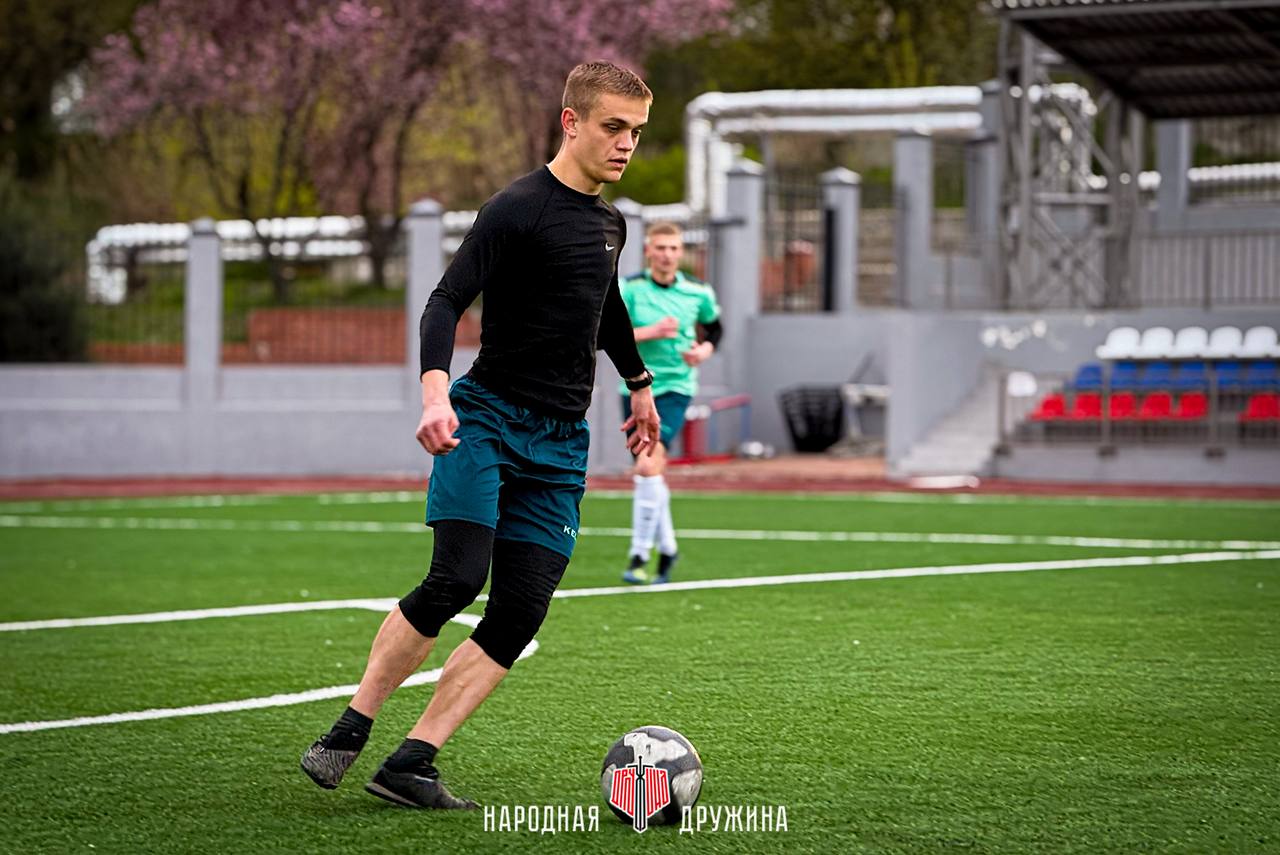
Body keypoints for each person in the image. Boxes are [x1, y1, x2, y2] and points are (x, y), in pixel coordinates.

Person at [300, 60, 660, 810]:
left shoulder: (611, 223)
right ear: (571, 123)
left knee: (521, 609)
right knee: (457, 578)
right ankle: (352, 723)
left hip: (561, 445)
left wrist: (640, 383)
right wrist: (435, 394)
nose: (626, 143)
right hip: (487, 420)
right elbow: (445, 300)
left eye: (636, 131)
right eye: (613, 127)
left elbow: (605, 307)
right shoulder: (517, 208)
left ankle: (412, 762)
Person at [618, 221, 721, 585]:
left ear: (681, 252)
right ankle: (668, 549)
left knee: (647, 465)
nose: (667, 255)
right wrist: (652, 332)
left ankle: (639, 555)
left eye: (673, 248)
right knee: (651, 470)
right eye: (660, 248)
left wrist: (704, 350)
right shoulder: (629, 288)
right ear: (648, 251)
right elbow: (608, 333)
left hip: (676, 389)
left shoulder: (698, 291)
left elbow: (715, 328)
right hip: (634, 389)